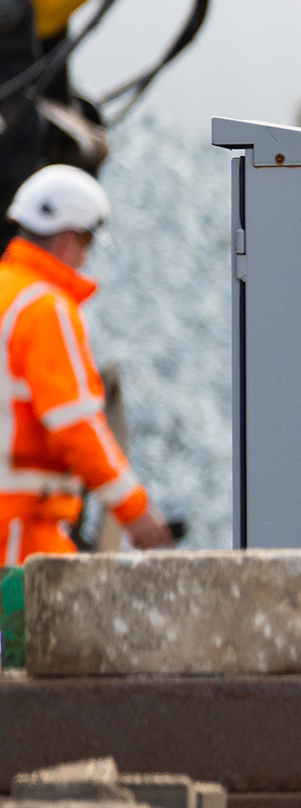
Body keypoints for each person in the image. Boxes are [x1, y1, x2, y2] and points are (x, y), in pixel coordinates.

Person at [0, 166, 170, 564]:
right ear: (69, 237)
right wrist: (134, 510)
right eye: (87, 242)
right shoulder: (44, 309)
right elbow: (74, 423)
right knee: (43, 624)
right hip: (19, 527)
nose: (85, 257)